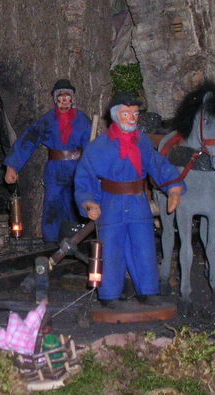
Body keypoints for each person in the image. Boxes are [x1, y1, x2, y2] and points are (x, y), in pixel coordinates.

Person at [73, 92, 185, 308]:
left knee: (144, 246)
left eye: (135, 113)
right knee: (111, 248)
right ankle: (110, 294)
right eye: (126, 113)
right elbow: (84, 178)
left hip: (138, 202)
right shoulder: (98, 147)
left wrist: (174, 187)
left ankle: (148, 290)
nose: (132, 118)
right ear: (116, 116)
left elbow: (158, 165)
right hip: (111, 204)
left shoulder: (142, 143)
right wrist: (89, 202)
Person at [4, 79, 92, 242]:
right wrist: (13, 165)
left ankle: (78, 240)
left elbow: (90, 147)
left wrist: (92, 171)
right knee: (52, 205)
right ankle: (51, 242)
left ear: (72, 99)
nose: (64, 101)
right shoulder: (48, 120)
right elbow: (29, 139)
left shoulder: (82, 120)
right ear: (55, 100)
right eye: (60, 98)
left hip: (78, 168)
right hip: (55, 170)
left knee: (77, 204)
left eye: (67, 97)